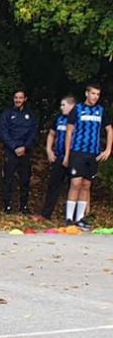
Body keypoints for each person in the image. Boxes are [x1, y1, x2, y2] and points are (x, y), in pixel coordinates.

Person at [63, 82, 112, 230]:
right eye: (93, 93)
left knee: (86, 185)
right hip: (78, 151)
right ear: (87, 93)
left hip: (93, 153)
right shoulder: (77, 109)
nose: (95, 97)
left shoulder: (101, 110)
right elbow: (69, 131)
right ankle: (69, 218)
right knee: (75, 183)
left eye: (98, 94)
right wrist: (67, 154)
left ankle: (80, 219)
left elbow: (109, 130)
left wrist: (108, 149)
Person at [0, 89, 38, 214]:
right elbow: (3, 132)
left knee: (25, 180)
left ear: (25, 99)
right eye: (16, 97)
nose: (18, 100)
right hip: (11, 151)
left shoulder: (30, 115)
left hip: (25, 152)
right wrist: (14, 147)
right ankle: (8, 206)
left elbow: (33, 133)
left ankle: (24, 206)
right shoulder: (7, 114)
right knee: (8, 179)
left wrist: (25, 147)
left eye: (20, 98)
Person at [39, 95, 76, 220]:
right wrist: (49, 150)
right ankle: (46, 213)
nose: (61, 108)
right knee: (53, 185)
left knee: (76, 186)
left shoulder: (77, 119)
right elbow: (51, 134)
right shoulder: (59, 119)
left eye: (63, 105)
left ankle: (76, 216)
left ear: (72, 106)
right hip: (59, 156)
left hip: (74, 157)